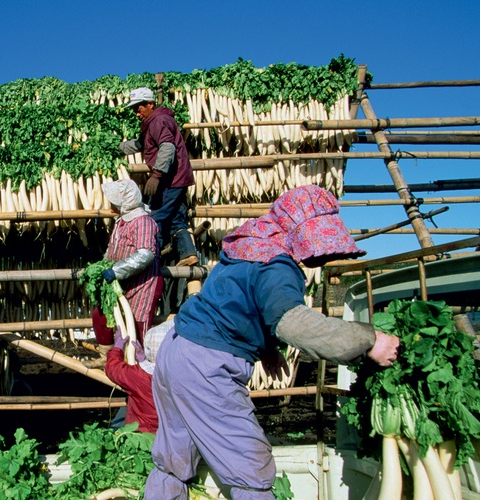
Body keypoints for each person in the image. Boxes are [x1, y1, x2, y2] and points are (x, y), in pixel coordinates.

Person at [144, 185, 402, 499]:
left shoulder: (248, 248)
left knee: (175, 457)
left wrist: (267, 348)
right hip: (205, 366)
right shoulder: (277, 266)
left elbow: (237, 302)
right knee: (249, 466)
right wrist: (370, 341)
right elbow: (294, 322)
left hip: (177, 351)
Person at [87, 179, 163, 368]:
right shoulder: (121, 222)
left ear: (125, 202)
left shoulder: (143, 222)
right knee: (101, 315)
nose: (111, 205)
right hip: (120, 282)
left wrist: (116, 270)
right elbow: (112, 250)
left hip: (143, 284)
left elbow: (145, 254)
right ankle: (108, 356)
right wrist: (103, 266)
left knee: (136, 325)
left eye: (114, 201)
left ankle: (140, 367)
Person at [119, 87, 198, 267]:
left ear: (150, 104)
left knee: (155, 217)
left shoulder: (158, 121)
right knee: (176, 218)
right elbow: (142, 144)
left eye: (139, 108)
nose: (136, 113)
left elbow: (167, 148)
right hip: (175, 179)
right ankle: (188, 254)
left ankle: (152, 259)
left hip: (170, 180)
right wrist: (119, 147)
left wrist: (156, 175)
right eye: (134, 110)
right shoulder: (153, 123)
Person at [103, 319, 172, 434]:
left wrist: (117, 348)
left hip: (142, 433)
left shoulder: (139, 377)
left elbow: (113, 369)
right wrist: (144, 359)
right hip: (168, 434)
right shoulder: (181, 375)